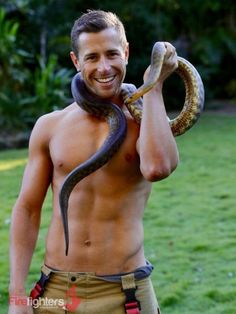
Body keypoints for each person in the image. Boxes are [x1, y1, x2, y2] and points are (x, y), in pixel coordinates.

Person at [8, 9, 179, 314]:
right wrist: (17, 294)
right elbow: (27, 209)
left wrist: (154, 86)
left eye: (112, 54)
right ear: (76, 61)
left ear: (126, 53)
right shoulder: (50, 126)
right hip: (57, 290)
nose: (104, 67)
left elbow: (157, 168)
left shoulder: (146, 123)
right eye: (92, 57)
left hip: (125, 292)